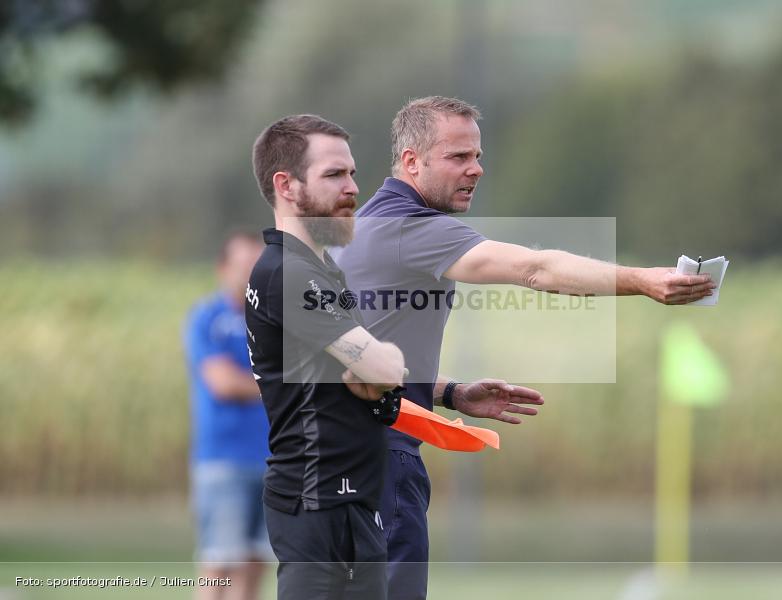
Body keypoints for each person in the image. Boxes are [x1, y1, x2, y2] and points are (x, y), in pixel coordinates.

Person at [335, 96, 718, 600]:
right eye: (458, 157)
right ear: (412, 161)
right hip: (380, 454)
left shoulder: (359, 227)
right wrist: (641, 280)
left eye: (477, 156)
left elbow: (353, 353)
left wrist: (449, 392)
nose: (476, 169)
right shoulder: (413, 227)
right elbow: (536, 269)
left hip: (334, 453)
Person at [246, 114, 407, 600]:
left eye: (352, 174)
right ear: (286, 186)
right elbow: (381, 368)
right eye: (334, 175)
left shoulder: (315, 270)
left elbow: (366, 372)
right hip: (320, 505)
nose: (352, 188)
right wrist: (380, 367)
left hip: (345, 503)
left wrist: (451, 393)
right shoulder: (290, 274)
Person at [183, 231, 272, 600]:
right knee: (219, 564)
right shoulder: (208, 318)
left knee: (254, 564)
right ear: (222, 269)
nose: (253, 274)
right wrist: (279, 386)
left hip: (274, 460)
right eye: (244, 265)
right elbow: (222, 383)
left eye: (259, 266)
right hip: (224, 462)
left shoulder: (275, 322)